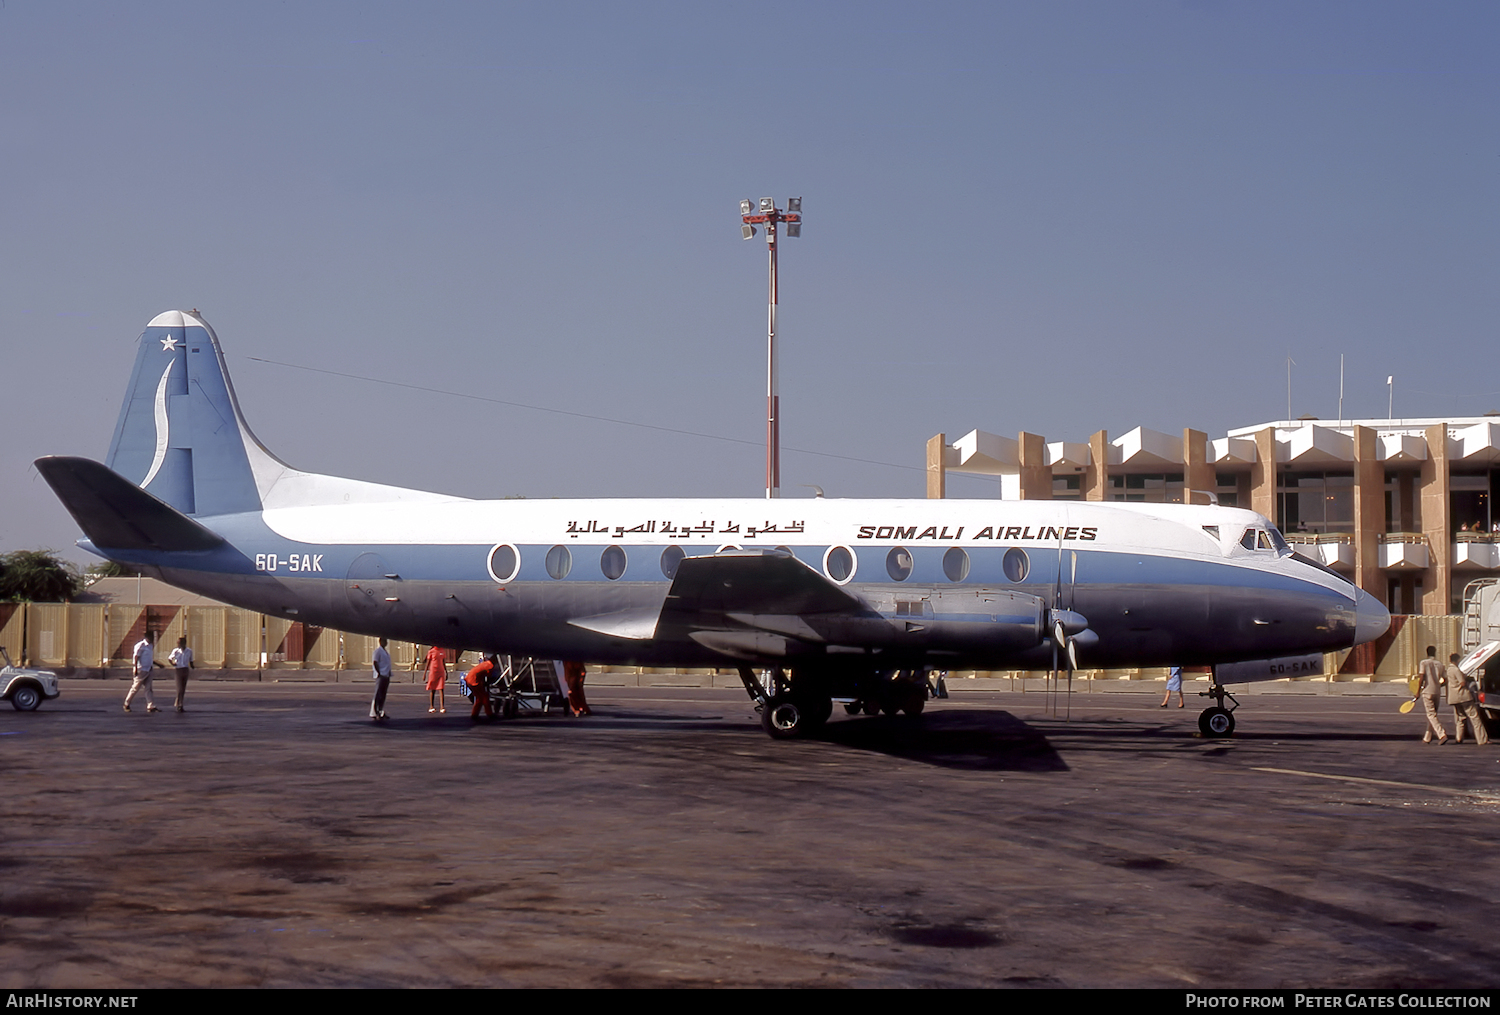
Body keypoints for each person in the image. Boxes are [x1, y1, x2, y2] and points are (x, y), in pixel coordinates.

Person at [1446, 652, 1489, 745]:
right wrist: (1465, 678)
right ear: (1457, 660)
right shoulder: (1456, 670)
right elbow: (1462, 683)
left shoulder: (1448, 670)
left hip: (1453, 698)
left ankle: (1459, 738)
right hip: (1463, 696)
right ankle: (1482, 739)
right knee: (1474, 717)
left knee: (1460, 718)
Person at [1417, 645, 1449, 745]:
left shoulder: (1424, 662)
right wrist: (1440, 685)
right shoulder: (1440, 664)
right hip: (1437, 691)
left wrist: (1418, 691)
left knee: (1431, 714)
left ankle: (1441, 734)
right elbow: (1446, 679)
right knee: (1433, 715)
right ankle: (1427, 737)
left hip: (1427, 690)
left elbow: (1422, 677)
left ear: (1427, 652)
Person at [124, 630, 161, 713]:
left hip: (149, 669)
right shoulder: (140, 645)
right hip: (141, 669)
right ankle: (127, 703)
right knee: (135, 688)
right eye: (151, 637)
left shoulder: (150, 646)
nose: (152, 639)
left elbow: (149, 658)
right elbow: (136, 657)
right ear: (147, 637)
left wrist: (157, 664)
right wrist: (136, 668)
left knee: (148, 688)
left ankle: (150, 705)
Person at [464, 654, 497, 720]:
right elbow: (489, 676)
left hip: (469, 679)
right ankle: (489, 713)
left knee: (479, 698)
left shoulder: (485, 663)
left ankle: (475, 714)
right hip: (474, 681)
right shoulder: (490, 666)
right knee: (484, 697)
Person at [168, 635, 194, 712]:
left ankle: (180, 703)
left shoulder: (189, 651)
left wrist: (193, 667)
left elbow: (191, 660)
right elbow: (170, 658)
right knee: (179, 688)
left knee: (183, 688)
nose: (178, 645)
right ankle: (179, 704)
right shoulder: (176, 651)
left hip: (185, 669)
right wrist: (173, 664)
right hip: (178, 670)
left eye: (180, 643)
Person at [370, 636, 392, 721]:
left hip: (386, 675)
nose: (385, 643)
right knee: (378, 694)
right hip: (381, 675)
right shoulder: (378, 651)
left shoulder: (386, 652)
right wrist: (378, 672)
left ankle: (381, 710)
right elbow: (375, 662)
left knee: (383, 695)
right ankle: (375, 712)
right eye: (384, 641)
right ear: (380, 642)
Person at [423, 644, 448, 713]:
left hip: (441, 672)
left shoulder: (442, 650)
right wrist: (424, 674)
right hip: (433, 672)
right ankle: (431, 706)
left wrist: (446, 672)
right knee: (432, 689)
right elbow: (428, 663)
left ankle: (442, 707)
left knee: (441, 689)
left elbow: (443, 662)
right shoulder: (431, 651)